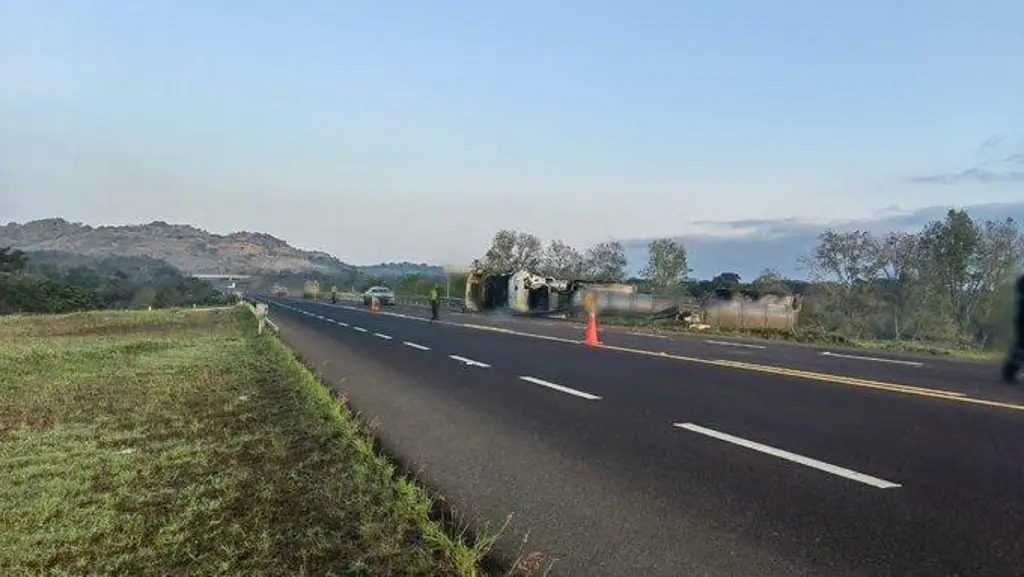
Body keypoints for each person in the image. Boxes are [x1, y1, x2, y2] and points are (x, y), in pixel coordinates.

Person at [1003, 273, 1024, 384]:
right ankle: (1010, 372)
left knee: (1020, 346)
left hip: (1021, 318)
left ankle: (1009, 372)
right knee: (1021, 347)